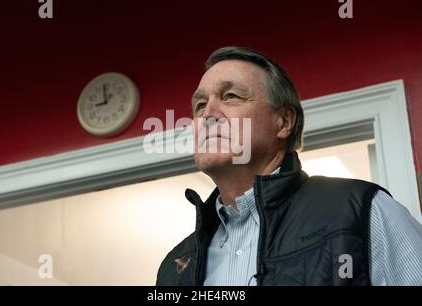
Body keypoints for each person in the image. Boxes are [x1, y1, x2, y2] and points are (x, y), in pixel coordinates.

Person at [156, 47, 422, 286]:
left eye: (231, 96)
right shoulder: (173, 269)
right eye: (200, 105)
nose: (207, 114)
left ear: (284, 122)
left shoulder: (361, 210)